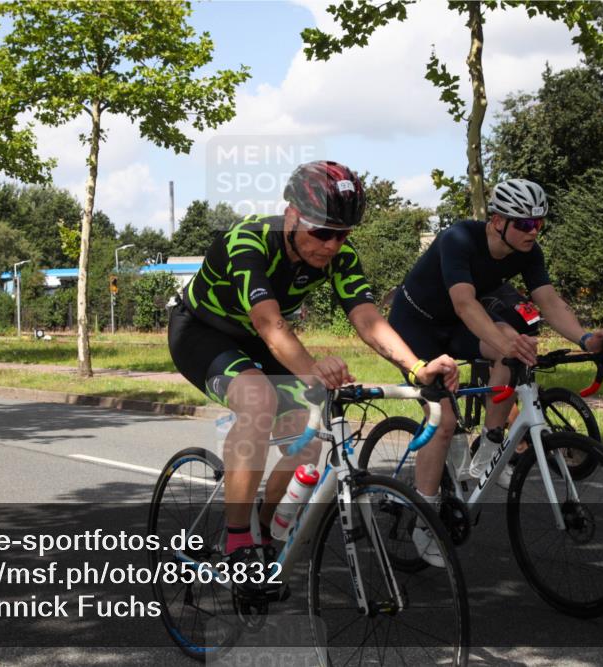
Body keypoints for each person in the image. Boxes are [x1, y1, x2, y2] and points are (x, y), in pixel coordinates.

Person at [168, 160, 459, 586]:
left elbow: (367, 317)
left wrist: (416, 367)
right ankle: (237, 542)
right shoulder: (249, 240)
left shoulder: (338, 257)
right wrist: (312, 370)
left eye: (343, 235)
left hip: (260, 340)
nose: (332, 245)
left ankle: (263, 530)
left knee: (307, 435)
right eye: (322, 232)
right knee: (257, 400)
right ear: (291, 216)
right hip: (203, 332)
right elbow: (269, 324)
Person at [387, 178, 603, 566]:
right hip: (416, 328)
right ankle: (425, 520)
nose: (533, 231)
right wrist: (503, 341)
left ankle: (490, 444)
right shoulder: (459, 238)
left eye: (538, 224)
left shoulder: (527, 251)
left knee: (513, 345)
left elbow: (549, 301)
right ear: (497, 221)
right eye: (525, 224)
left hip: (455, 326)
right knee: (444, 421)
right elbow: (464, 303)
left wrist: (586, 337)